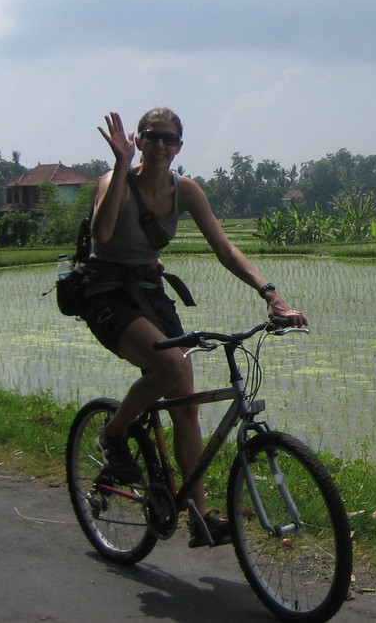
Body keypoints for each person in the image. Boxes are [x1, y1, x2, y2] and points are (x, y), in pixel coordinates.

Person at [82, 108, 306, 548]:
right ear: (139, 140)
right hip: (105, 293)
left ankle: (200, 517)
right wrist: (122, 164)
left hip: (149, 289)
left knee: (184, 396)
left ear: (180, 145)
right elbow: (103, 234)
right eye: (151, 137)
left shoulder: (184, 189)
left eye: (169, 139)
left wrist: (270, 293)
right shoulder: (114, 181)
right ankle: (113, 433)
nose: (160, 145)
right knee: (168, 368)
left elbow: (223, 247)